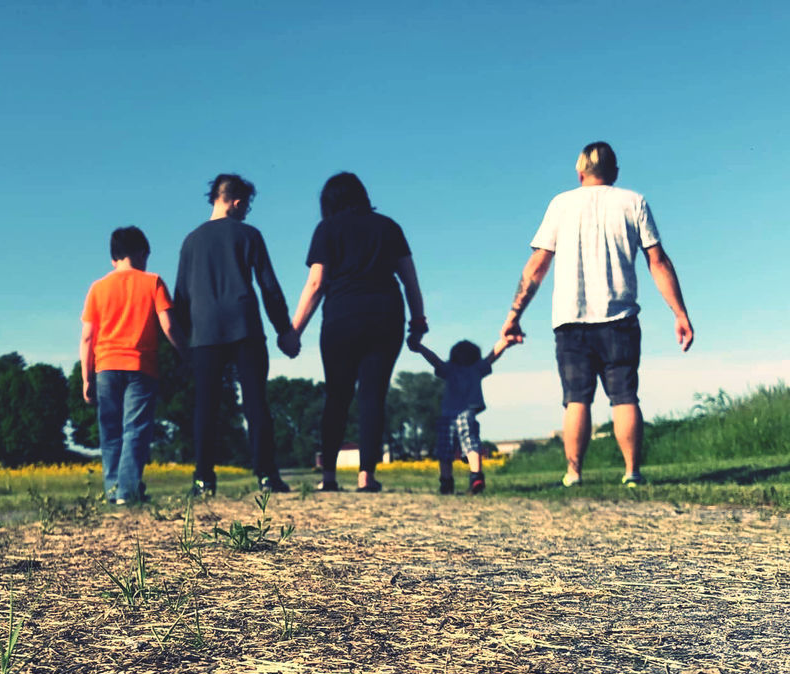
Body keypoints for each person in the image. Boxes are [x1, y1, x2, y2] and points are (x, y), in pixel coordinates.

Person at [499, 142, 694, 488]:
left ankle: (574, 474)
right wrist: (679, 313)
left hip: (570, 319)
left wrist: (514, 315)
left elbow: (537, 267)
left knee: (576, 399)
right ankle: (632, 472)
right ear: (614, 172)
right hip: (619, 317)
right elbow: (657, 261)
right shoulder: (634, 202)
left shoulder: (561, 204)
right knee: (624, 396)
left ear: (579, 173)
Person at [290, 172, 427, 492]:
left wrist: (294, 331)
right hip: (385, 315)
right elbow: (410, 280)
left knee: (337, 395)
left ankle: (329, 478)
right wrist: (418, 321)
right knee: (373, 395)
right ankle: (366, 476)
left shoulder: (327, 229)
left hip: (342, 317)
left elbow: (316, 283)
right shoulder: (389, 227)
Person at [173, 173, 298, 496]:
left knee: (206, 406)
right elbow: (269, 287)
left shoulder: (190, 241)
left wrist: (182, 346)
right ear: (238, 202)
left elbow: (181, 299)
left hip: (204, 334)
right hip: (245, 327)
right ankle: (267, 476)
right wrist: (285, 330)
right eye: (247, 207)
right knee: (256, 402)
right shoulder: (249, 235)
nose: (246, 213)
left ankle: (203, 480)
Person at [80, 226, 186, 505]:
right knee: (136, 429)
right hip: (141, 366)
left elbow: (88, 336)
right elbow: (169, 325)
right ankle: (126, 493)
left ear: (113, 258)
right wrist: (186, 353)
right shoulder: (152, 282)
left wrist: (86, 378)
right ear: (142, 253)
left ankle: (115, 491)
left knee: (110, 432)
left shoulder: (97, 288)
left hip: (105, 367)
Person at [409, 335, 518, 494]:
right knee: (471, 443)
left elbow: (435, 361)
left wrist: (420, 348)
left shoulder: (449, 369)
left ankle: (446, 481)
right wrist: (505, 342)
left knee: (444, 449)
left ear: (453, 355)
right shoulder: (477, 369)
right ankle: (476, 476)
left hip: (448, 415)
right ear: (475, 355)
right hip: (468, 413)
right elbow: (492, 356)